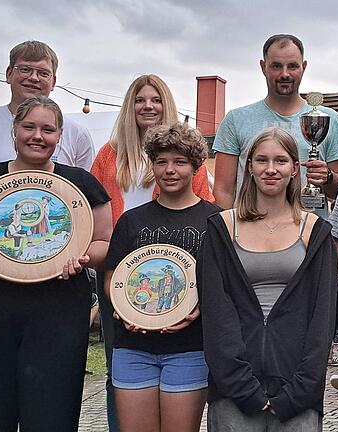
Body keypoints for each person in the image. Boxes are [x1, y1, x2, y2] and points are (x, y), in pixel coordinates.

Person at [0, 96, 112, 431]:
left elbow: (104, 244)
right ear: (14, 130)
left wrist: (83, 258)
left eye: (48, 129)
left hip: (58, 310)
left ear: (60, 135)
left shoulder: (82, 185)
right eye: (29, 126)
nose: (37, 136)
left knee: (52, 412)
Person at [90, 73, 215, 431]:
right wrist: (120, 305)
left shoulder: (212, 219)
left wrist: (199, 305)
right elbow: (113, 266)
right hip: (133, 335)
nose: (170, 169)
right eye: (162, 162)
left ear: (195, 166)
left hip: (188, 342)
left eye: (179, 162)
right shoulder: (123, 199)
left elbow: (214, 274)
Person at [200, 127, 337, 431]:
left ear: (294, 169)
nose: (271, 169)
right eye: (261, 160)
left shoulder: (316, 232)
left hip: (297, 395)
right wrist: (244, 389)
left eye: (281, 161)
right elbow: (216, 317)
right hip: (234, 394)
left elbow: (323, 320)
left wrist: (299, 392)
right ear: (249, 167)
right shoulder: (221, 229)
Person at [212, 34, 338, 218]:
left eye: (292, 66)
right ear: (263, 67)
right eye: (276, 66)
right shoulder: (236, 119)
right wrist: (224, 234)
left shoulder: (328, 119)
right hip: (249, 232)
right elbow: (223, 190)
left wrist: (328, 177)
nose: (285, 74)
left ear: (304, 67)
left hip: (309, 236)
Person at [0, 41, 95, 177]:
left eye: (43, 73)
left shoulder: (78, 134)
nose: (33, 78)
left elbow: (84, 193)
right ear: (9, 74)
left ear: (53, 81)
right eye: (25, 69)